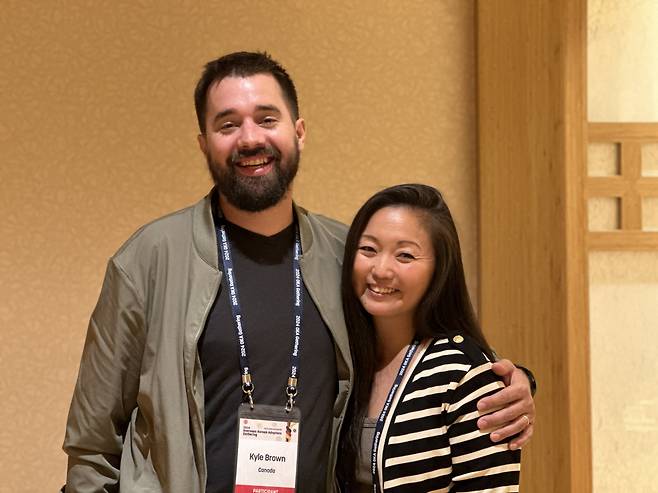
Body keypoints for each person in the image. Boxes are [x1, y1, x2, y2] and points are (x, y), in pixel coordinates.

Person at [62, 52, 534, 493]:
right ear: (204, 143)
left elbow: (421, 346)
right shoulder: (149, 258)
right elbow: (91, 444)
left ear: (299, 131)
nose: (250, 138)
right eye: (228, 124)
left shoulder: (346, 255)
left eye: (267, 119)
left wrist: (513, 382)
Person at [339, 184, 522, 491]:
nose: (381, 269)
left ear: (440, 269)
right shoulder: (344, 359)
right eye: (368, 249)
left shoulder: (463, 373)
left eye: (405, 255)